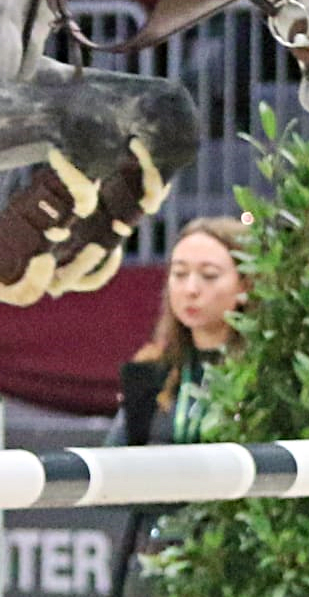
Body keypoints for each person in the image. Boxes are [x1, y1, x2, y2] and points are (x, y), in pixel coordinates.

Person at [107, 216, 250, 597]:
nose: (191, 289)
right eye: (179, 273)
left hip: (240, 565)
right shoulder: (152, 371)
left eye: (209, 275)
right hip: (154, 562)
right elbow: (112, 465)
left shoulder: (267, 374)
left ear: (245, 286)